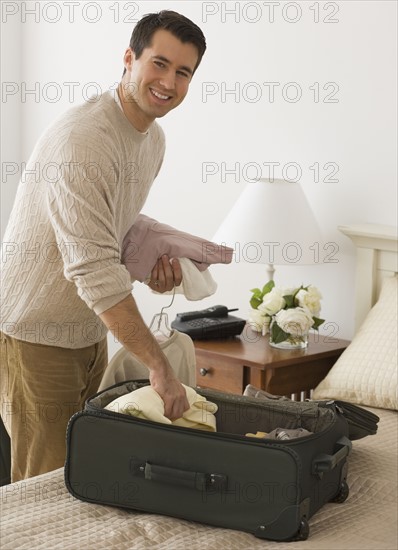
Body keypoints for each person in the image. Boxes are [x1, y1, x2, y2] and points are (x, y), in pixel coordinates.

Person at [0, 10, 207, 482]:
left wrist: (151, 263)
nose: (168, 82)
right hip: (35, 334)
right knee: (43, 487)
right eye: (159, 63)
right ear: (129, 58)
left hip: (88, 329)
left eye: (183, 72)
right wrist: (159, 367)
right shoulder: (84, 141)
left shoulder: (151, 139)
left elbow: (110, 230)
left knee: (82, 471)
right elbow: (92, 268)